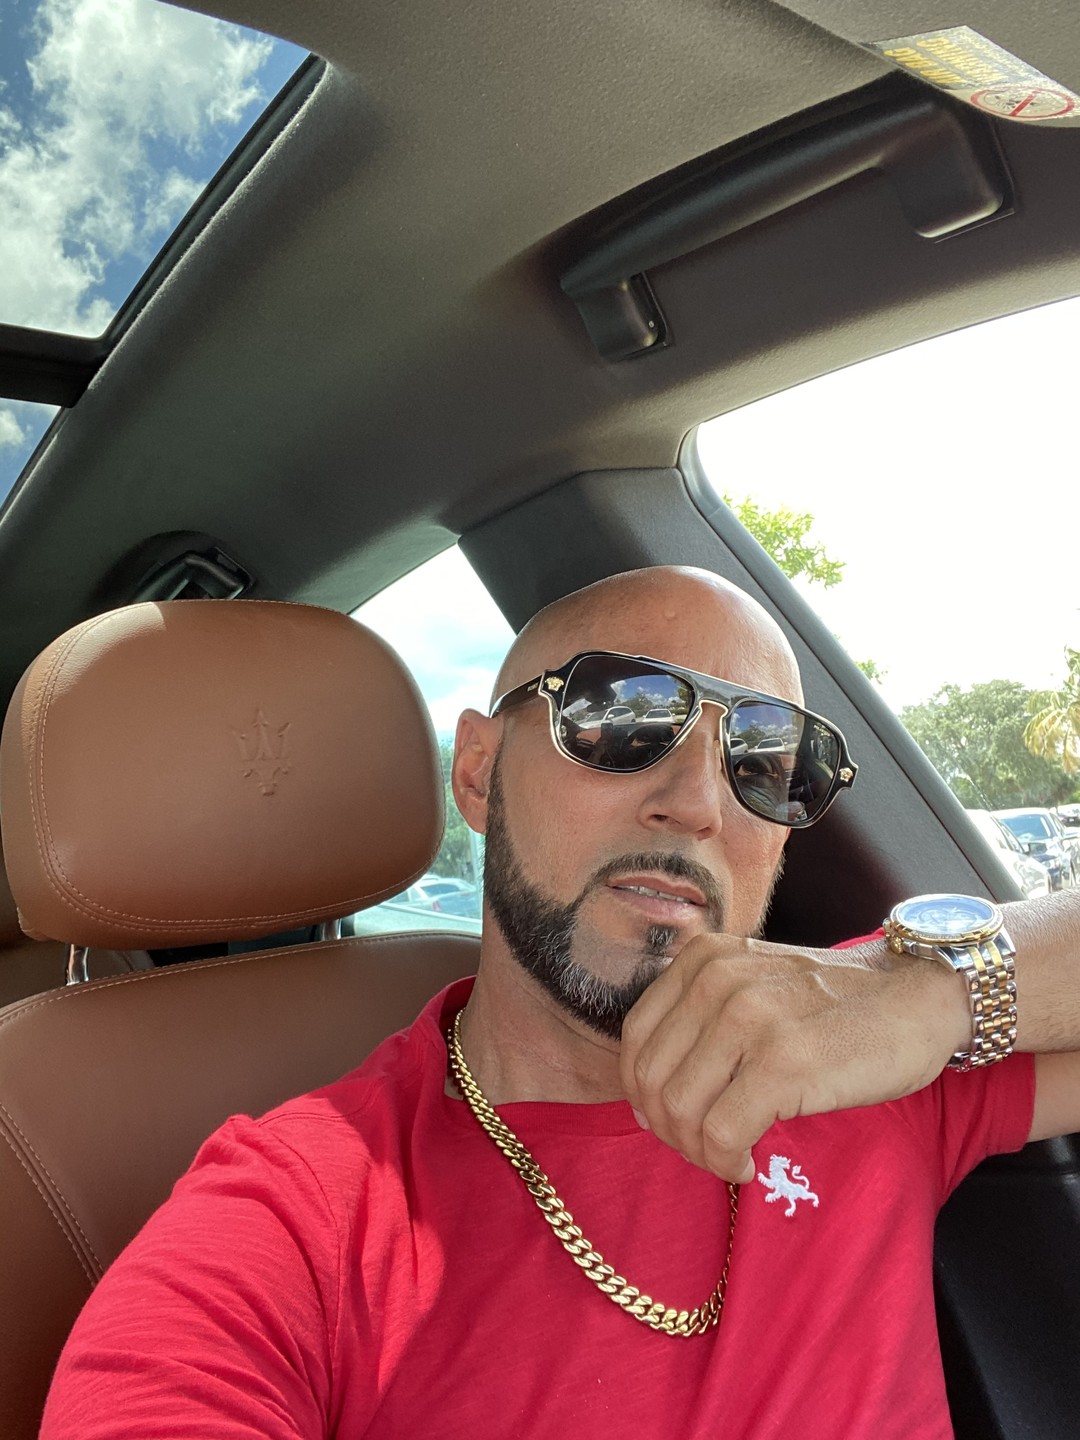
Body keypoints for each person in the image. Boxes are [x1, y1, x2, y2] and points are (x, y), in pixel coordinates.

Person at [41, 566, 1080, 1439]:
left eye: (765, 761)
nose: (698, 803)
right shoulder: (296, 1222)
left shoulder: (859, 1040)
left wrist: (927, 991)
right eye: (623, 717)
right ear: (480, 772)